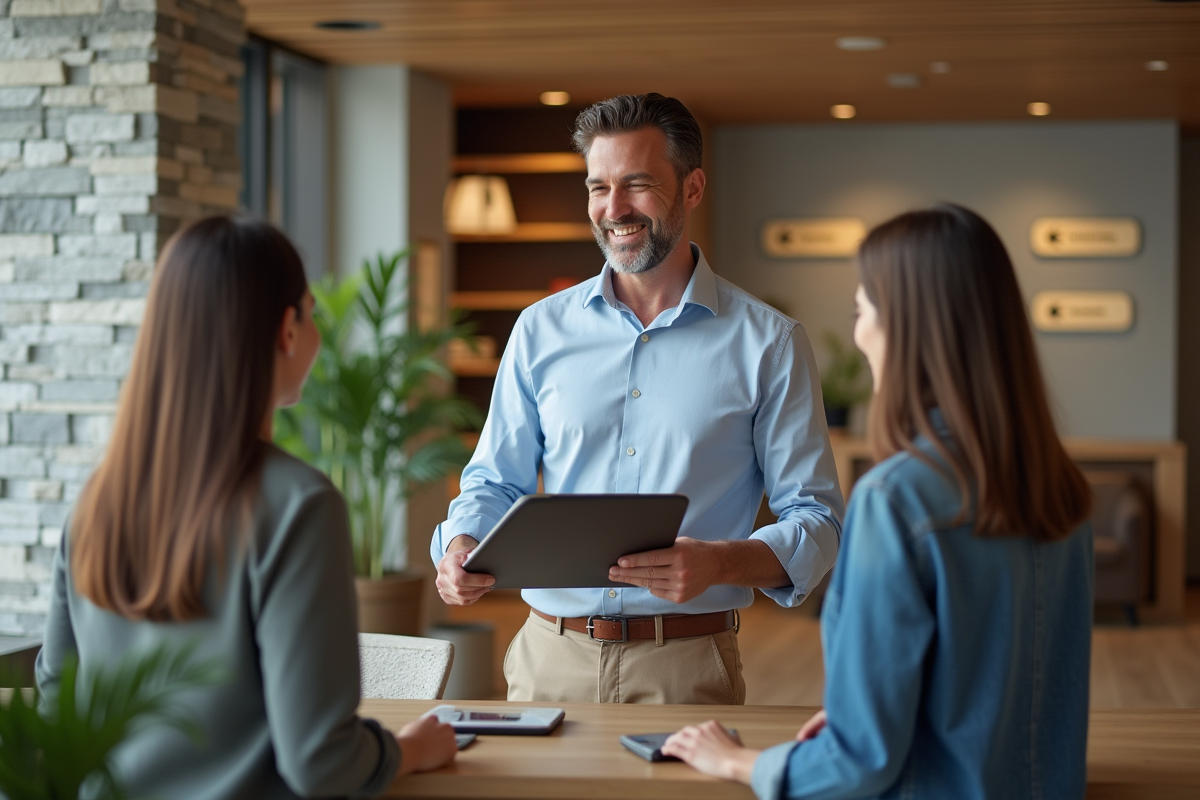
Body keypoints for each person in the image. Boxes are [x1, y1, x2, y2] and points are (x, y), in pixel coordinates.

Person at [662, 204, 1094, 799]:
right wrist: (858, 724)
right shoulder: (1059, 488)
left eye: (862, 310)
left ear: (907, 326)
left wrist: (742, 762)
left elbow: (861, 766)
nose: (859, 330)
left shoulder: (897, 499)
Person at [431, 93, 844, 705]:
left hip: (686, 667)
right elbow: (494, 481)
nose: (613, 209)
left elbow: (819, 521)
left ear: (693, 188)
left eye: (638, 184)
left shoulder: (769, 343)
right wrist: (462, 541)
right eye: (598, 187)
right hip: (548, 661)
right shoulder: (538, 330)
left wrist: (721, 564)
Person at [35, 217, 457, 799]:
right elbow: (321, 763)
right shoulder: (300, 507)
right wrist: (409, 749)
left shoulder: (95, 501)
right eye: (311, 311)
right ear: (288, 329)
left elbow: (57, 706)